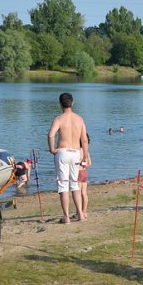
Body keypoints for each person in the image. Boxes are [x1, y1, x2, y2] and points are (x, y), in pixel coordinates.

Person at [47, 93, 90, 223]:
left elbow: (50, 135)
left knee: (63, 185)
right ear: (73, 103)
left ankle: (66, 217)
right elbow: (84, 140)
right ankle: (80, 215)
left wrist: (52, 149)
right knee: (75, 185)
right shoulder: (79, 119)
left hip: (63, 152)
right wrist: (85, 156)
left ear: (60, 104)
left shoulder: (59, 119)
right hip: (76, 152)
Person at [79, 134, 91, 218]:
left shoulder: (77, 150)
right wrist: (84, 164)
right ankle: (84, 211)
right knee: (84, 193)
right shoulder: (85, 151)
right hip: (84, 172)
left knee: (78, 194)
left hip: (78, 172)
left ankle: (79, 212)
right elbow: (89, 163)